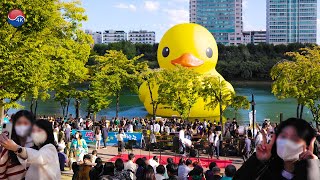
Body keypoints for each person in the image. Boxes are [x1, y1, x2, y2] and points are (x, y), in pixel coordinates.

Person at [234, 118, 320, 180]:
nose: (286, 142)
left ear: (308, 146)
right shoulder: (267, 171)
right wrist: (257, 160)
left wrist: (311, 167)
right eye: (283, 136)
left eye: (294, 138)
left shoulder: (314, 173)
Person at [0, 110, 34, 179]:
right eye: (19, 123)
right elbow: (1, 174)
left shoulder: (35, 145)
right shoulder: (7, 145)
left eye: (26, 123)